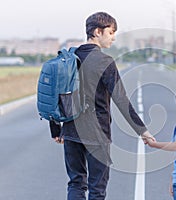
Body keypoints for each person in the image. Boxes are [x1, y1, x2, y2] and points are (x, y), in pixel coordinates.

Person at [54, 12, 155, 200]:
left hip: (70, 131)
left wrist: (56, 129)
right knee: (97, 189)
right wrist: (142, 130)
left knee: (76, 183)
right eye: (111, 32)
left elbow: (54, 95)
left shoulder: (67, 58)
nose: (113, 38)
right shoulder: (104, 62)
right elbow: (121, 100)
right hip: (97, 133)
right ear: (97, 32)